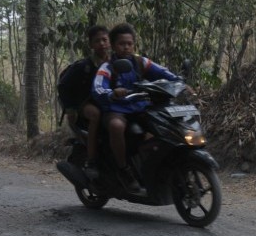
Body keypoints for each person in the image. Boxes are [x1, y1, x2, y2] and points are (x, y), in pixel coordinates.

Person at [92, 23, 180, 195]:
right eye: (121, 44)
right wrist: (111, 93)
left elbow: (163, 72)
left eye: (129, 43)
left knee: (164, 124)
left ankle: (157, 167)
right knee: (116, 126)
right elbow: (97, 88)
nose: (126, 47)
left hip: (140, 107)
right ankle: (123, 169)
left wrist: (179, 81)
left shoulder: (140, 62)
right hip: (117, 109)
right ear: (114, 45)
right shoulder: (107, 67)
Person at [57, 25, 110, 180]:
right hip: (85, 104)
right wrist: (71, 109)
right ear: (91, 45)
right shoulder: (83, 66)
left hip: (108, 102)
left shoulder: (116, 63)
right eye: (97, 41)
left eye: (104, 40)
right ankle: (92, 159)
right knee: (95, 115)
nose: (102, 44)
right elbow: (63, 86)